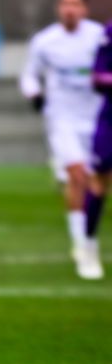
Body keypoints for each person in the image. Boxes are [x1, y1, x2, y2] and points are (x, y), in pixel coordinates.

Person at [20, 0, 104, 279]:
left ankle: (85, 234)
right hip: (62, 118)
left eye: (75, 4)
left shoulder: (99, 37)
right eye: (65, 4)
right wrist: (35, 94)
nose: (70, 9)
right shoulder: (45, 41)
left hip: (96, 118)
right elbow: (29, 74)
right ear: (59, 9)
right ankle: (83, 246)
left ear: (85, 9)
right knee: (78, 176)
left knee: (98, 183)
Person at [82, 20, 112, 279]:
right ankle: (88, 245)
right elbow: (98, 76)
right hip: (110, 120)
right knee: (100, 182)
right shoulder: (110, 31)